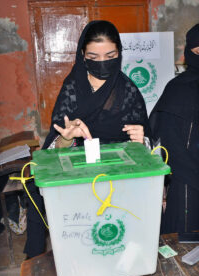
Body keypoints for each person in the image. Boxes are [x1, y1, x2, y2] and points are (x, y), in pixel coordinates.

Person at [24, 20, 152, 258]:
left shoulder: (129, 91)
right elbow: (56, 149)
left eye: (110, 55)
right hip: (79, 172)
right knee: (35, 188)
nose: (103, 62)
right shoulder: (72, 88)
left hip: (117, 173)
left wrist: (140, 143)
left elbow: (147, 151)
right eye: (94, 56)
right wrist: (67, 139)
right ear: (82, 55)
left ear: (120, 53)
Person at [149, 24, 199, 241]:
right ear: (188, 53)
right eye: (198, 52)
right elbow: (171, 146)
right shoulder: (178, 89)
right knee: (182, 254)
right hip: (188, 185)